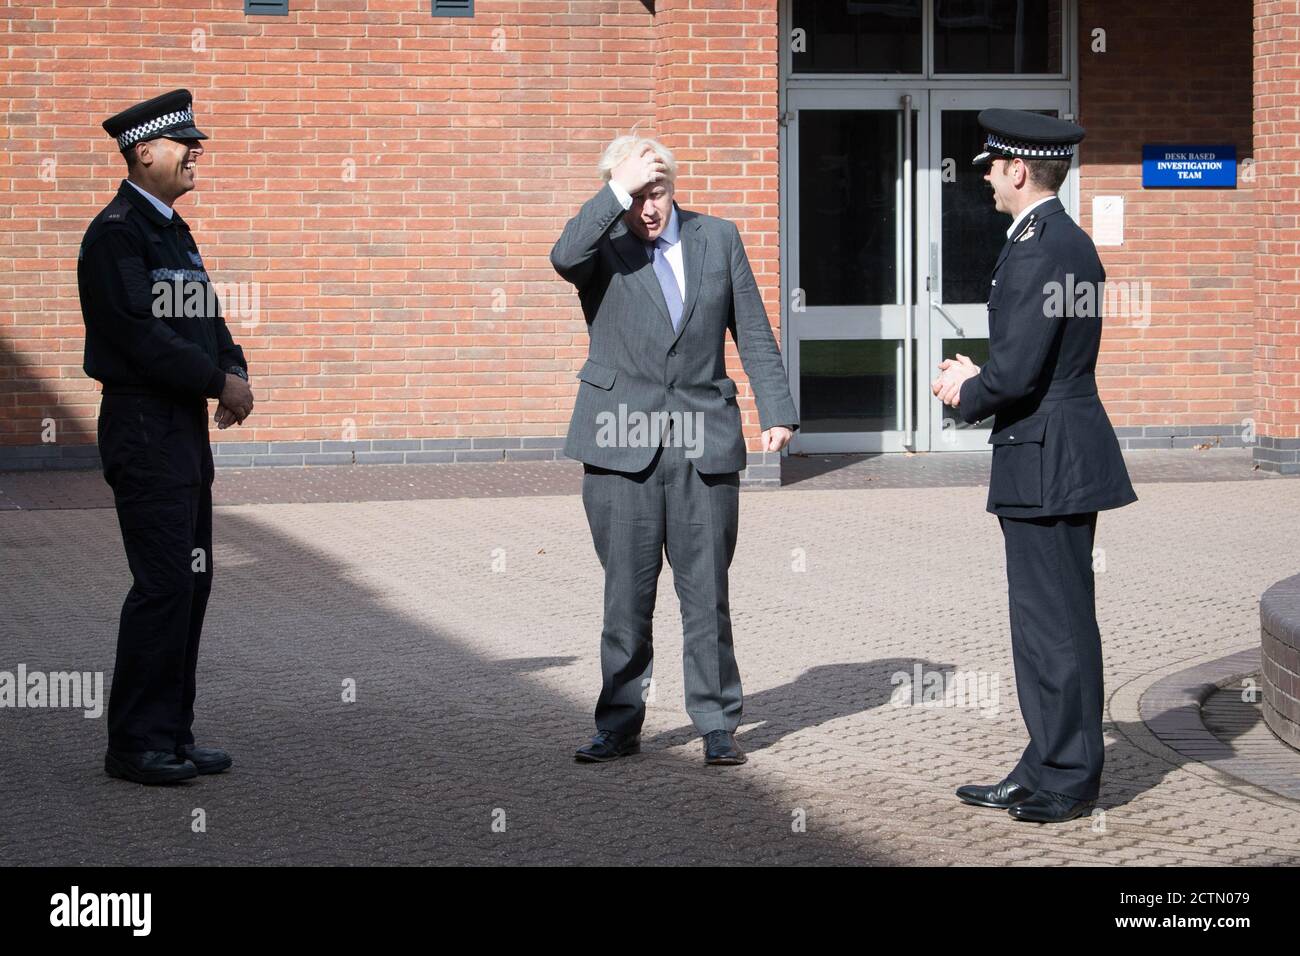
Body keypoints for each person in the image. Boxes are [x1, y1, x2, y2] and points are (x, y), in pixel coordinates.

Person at [551, 135, 799, 766]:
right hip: (620, 442)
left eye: (656, 191)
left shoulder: (718, 238)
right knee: (626, 596)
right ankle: (619, 723)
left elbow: (753, 327)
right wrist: (616, 188)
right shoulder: (601, 247)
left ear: (674, 186)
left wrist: (777, 409)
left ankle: (717, 722)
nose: (648, 208)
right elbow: (561, 255)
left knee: (705, 591)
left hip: (702, 439)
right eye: (635, 195)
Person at [933, 109, 1137, 823]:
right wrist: (991, 374)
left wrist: (965, 389)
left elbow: (1019, 375)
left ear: (1019, 170)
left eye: (993, 165)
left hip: (1045, 457)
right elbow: (1040, 359)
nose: (986, 176)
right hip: (1061, 449)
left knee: (1053, 626)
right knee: (1052, 621)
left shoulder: (1040, 249)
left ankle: (1068, 779)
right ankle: (1045, 761)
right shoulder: (1065, 241)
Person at [80, 89, 254, 784]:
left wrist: (233, 365)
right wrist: (218, 381)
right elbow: (137, 335)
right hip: (144, 428)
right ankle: (134, 744)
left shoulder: (172, 231)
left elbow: (203, 315)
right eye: (185, 144)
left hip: (180, 432)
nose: (196, 153)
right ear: (144, 151)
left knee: (192, 583)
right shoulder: (118, 232)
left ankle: (172, 734)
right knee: (161, 586)